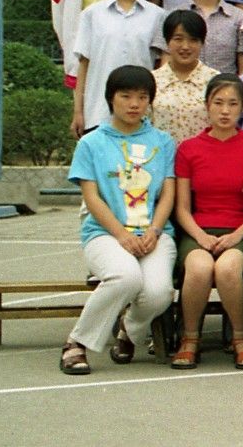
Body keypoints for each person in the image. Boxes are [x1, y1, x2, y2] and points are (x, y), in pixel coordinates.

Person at [58, 66, 177, 376]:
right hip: (105, 234)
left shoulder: (163, 142)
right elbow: (92, 197)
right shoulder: (91, 143)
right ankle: (76, 343)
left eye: (142, 97)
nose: (134, 104)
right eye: (126, 96)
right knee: (125, 277)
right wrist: (122, 235)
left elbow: (168, 194)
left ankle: (129, 330)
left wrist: (154, 230)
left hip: (154, 234)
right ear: (111, 98)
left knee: (159, 293)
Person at [170, 73, 243, 369]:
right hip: (199, 230)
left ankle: (241, 337)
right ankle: (190, 338)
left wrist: (237, 236)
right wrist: (200, 236)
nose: (225, 111)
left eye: (233, 104)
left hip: (242, 230)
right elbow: (182, 208)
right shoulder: (188, 148)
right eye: (218, 103)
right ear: (207, 105)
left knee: (227, 269)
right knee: (198, 268)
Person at [72, 0, 166, 136]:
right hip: (98, 112)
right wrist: (78, 111)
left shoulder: (157, 16)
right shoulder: (91, 15)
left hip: (142, 113)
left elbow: (162, 67)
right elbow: (83, 66)